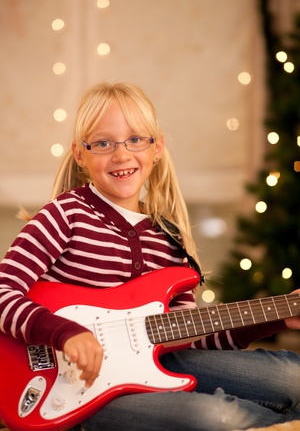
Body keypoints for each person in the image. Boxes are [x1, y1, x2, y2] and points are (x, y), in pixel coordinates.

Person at [0, 82, 300, 431]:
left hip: (157, 364)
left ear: (156, 147)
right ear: (80, 155)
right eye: (102, 143)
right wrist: (65, 333)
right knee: (213, 416)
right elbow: (3, 292)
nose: (121, 154)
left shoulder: (169, 237)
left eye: (136, 139)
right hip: (80, 392)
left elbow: (192, 337)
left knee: (291, 377)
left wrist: (278, 318)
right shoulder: (64, 214)